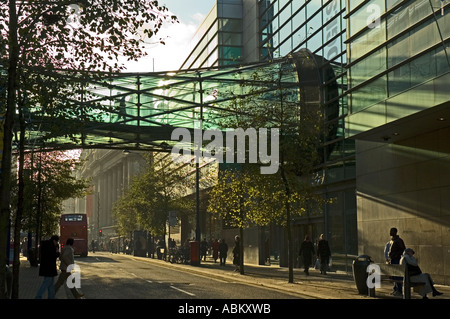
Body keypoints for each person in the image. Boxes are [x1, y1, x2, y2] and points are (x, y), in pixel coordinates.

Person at [388, 227, 406, 296]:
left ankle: (399, 290)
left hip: (397, 260)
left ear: (395, 232)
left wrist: (395, 255)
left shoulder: (399, 240)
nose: (390, 232)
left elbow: (402, 250)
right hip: (392, 259)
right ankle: (395, 289)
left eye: (391, 231)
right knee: (394, 275)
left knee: (397, 275)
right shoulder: (392, 240)